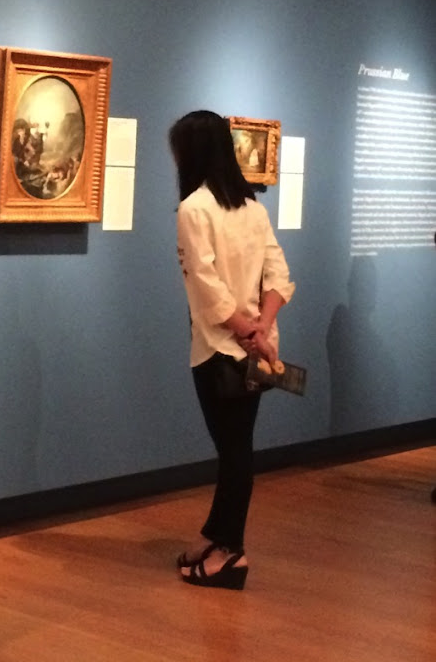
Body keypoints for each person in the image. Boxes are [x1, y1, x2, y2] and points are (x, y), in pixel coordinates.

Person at [169, 110, 295, 590]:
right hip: (254, 348)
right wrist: (261, 328)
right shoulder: (252, 207)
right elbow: (277, 274)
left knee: (235, 450)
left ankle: (230, 551)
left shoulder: (193, 208)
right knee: (236, 447)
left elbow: (206, 287)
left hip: (218, 349)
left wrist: (245, 330)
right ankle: (216, 537)